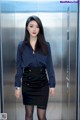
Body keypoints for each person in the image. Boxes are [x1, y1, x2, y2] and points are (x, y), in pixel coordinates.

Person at [14, 15, 56, 120]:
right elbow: (19, 67)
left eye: (37, 26)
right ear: (27, 28)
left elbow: (50, 65)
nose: (34, 29)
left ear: (40, 28)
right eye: (31, 26)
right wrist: (17, 86)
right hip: (27, 84)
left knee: (41, 116)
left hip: (42, 85)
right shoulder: (21, 46)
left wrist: (52, 84)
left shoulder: (46, 45)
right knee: (28, 115)